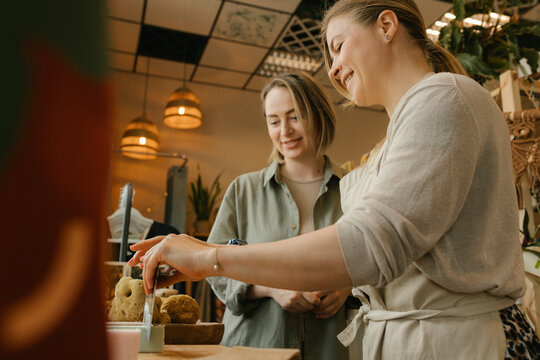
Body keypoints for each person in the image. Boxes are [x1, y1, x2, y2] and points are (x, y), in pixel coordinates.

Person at [129, 0, 540, 358]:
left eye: (338, 46)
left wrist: (209, 256)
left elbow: (371, 244)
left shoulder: (445, 96)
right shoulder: (395, 134)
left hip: (460, 346)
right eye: (274, 120)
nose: (334, 68)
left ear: (386, 26)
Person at [205, 72, 350, 360]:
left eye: (295, 116)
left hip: (328, 348)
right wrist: (269, 288)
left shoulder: (352, 189)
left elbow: (378, 261)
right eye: (274, 121)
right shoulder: (243, 190)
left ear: (318, 115)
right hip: (252, 347)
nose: (284, 130)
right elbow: (212, 268)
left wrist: (347, 287)